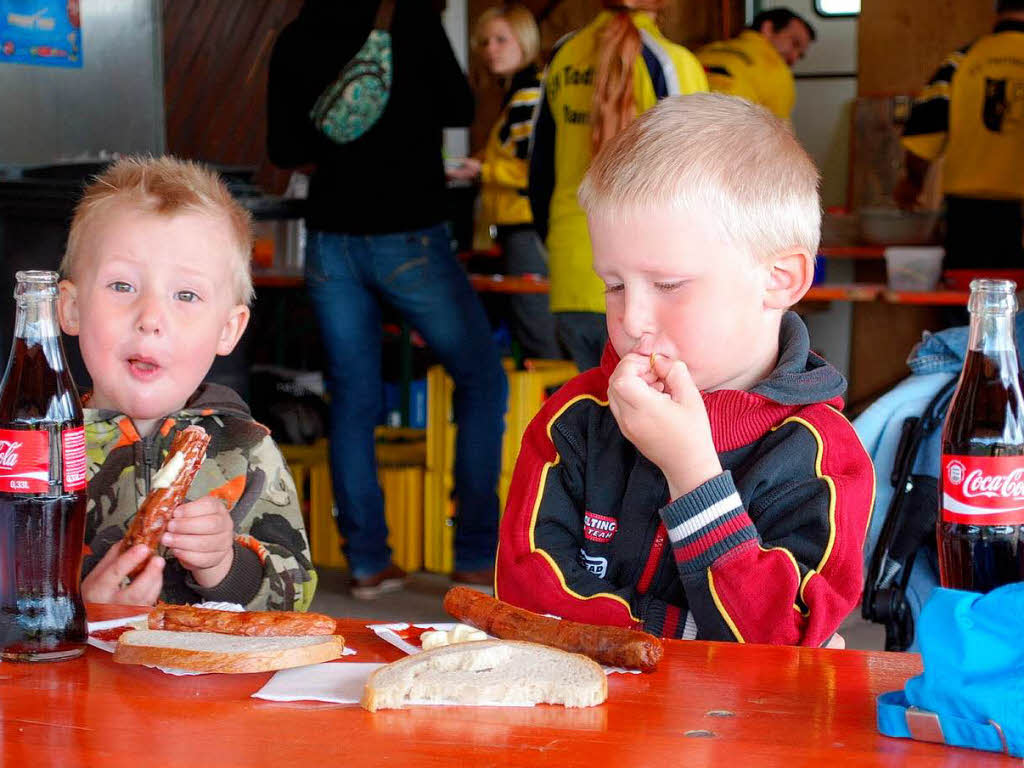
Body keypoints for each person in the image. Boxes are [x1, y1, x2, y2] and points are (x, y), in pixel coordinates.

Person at [497, 94, 874, 645]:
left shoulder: (823, 457)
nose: (633, 319)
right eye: (615, 285)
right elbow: (526, 602)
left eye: (669, 285)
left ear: (779, 279)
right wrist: (687, 632)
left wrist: (693, 475)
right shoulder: (576, 419)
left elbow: (784, 647)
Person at [268, 0, 508, 597]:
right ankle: (476, 555)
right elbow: (459, 104)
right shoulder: (407, 18)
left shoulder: (298, 33)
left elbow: (283, 146)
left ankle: (369, 563)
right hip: (409, 234)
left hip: (330, 239)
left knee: (353, 398)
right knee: (482, 380)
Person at [56, 156, 316, 611]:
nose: (152, 319)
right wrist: (76, 612)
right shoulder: (32, 453)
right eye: (121, 286)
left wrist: (224, 565)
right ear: (72, 308)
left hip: (210, 679)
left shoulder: (248, 451)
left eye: (186, 295)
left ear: (228, 330)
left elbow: (295, 600)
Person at [529, 0, 707, 373]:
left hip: (574, 274)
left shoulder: (564, 54)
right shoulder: (672, 63)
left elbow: (539, 168)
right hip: (651, 287)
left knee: (598, 419)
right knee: (646, 420)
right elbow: (698, 183)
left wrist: (559, 251)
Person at [447, 4, 561, 361]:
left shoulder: (528, 96)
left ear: (525, 42)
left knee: (537, 332)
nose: (490, 49)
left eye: (501, 39)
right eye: (484, 42)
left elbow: (536, 170)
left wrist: (482, 172)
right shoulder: (520, 92)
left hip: (528, 225)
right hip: (523, 226)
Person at [895, 0, 1024, 271]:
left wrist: (912, 183)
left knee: (968, 297)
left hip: (971, 214)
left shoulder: (961, 61)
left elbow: (925, 132)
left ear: (996, 10)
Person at [697, 8, 816, 120]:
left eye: (800, 55)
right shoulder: (777, 72)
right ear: (768, 28)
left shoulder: (704, 51)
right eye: (794, 43)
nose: (794, 58)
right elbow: (778, 135)